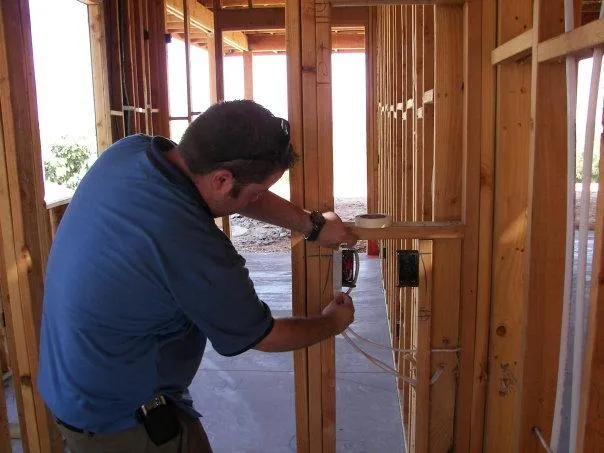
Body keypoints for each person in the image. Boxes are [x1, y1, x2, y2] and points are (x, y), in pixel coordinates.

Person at [37, 100, 358, 453]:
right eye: (257, 191)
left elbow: (231, 192)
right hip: (124, 423)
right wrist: (333, 323)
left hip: (70, 388)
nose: (257, 198)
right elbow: (265, 335)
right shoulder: (192, 244)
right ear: (222, 179)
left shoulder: (131, 152)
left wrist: (311, 226)